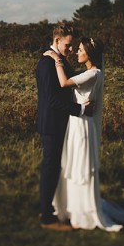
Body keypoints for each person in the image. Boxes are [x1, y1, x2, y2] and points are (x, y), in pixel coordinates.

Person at [44, 37, 124, 232]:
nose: (77, 52)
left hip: (81, 126)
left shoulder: (93, 74)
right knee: (73, 164)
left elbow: (63, 82)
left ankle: (82, 211)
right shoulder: (90, 72)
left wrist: (56, 59)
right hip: (77, 122)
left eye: (80, 50)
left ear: (90, 54)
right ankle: (73, 208)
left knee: (79, 166)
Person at [35, 23, 94, 231]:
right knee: (50, 167)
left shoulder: (58, 60)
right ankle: (46, 217)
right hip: (51, 123)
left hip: (61, 122)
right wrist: (80, 110)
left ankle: (57, 208)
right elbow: (51, 100)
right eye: (68, 45)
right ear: (57, 40)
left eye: (72, 46)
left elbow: (70, 78)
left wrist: (93, 69)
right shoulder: (46, 63)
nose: (70, 50)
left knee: (57, 167)